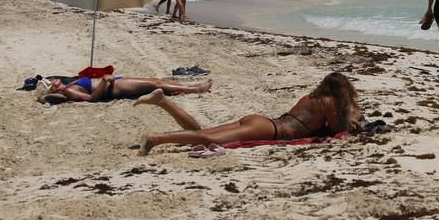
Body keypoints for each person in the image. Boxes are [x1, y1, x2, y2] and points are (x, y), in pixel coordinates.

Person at [134, 72, 361, 156]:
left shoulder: (311, 97)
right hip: (271, 130)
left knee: (202, 133)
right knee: (207, 138)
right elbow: (336, 131)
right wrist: (350, 118)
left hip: (263, 121)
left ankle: (163, 101)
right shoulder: (329, 102)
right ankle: (156, 138)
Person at [37, 75, 212, 103]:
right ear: (53, 88)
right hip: (114, 88)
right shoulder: (68, 92)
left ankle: (187, 87)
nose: (53, 78)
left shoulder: (68, 86)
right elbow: (92, 99)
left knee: (156, 81)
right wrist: (105, 82)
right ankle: (195, 90)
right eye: (51, 81)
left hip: (114, 82)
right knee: (154, 85)